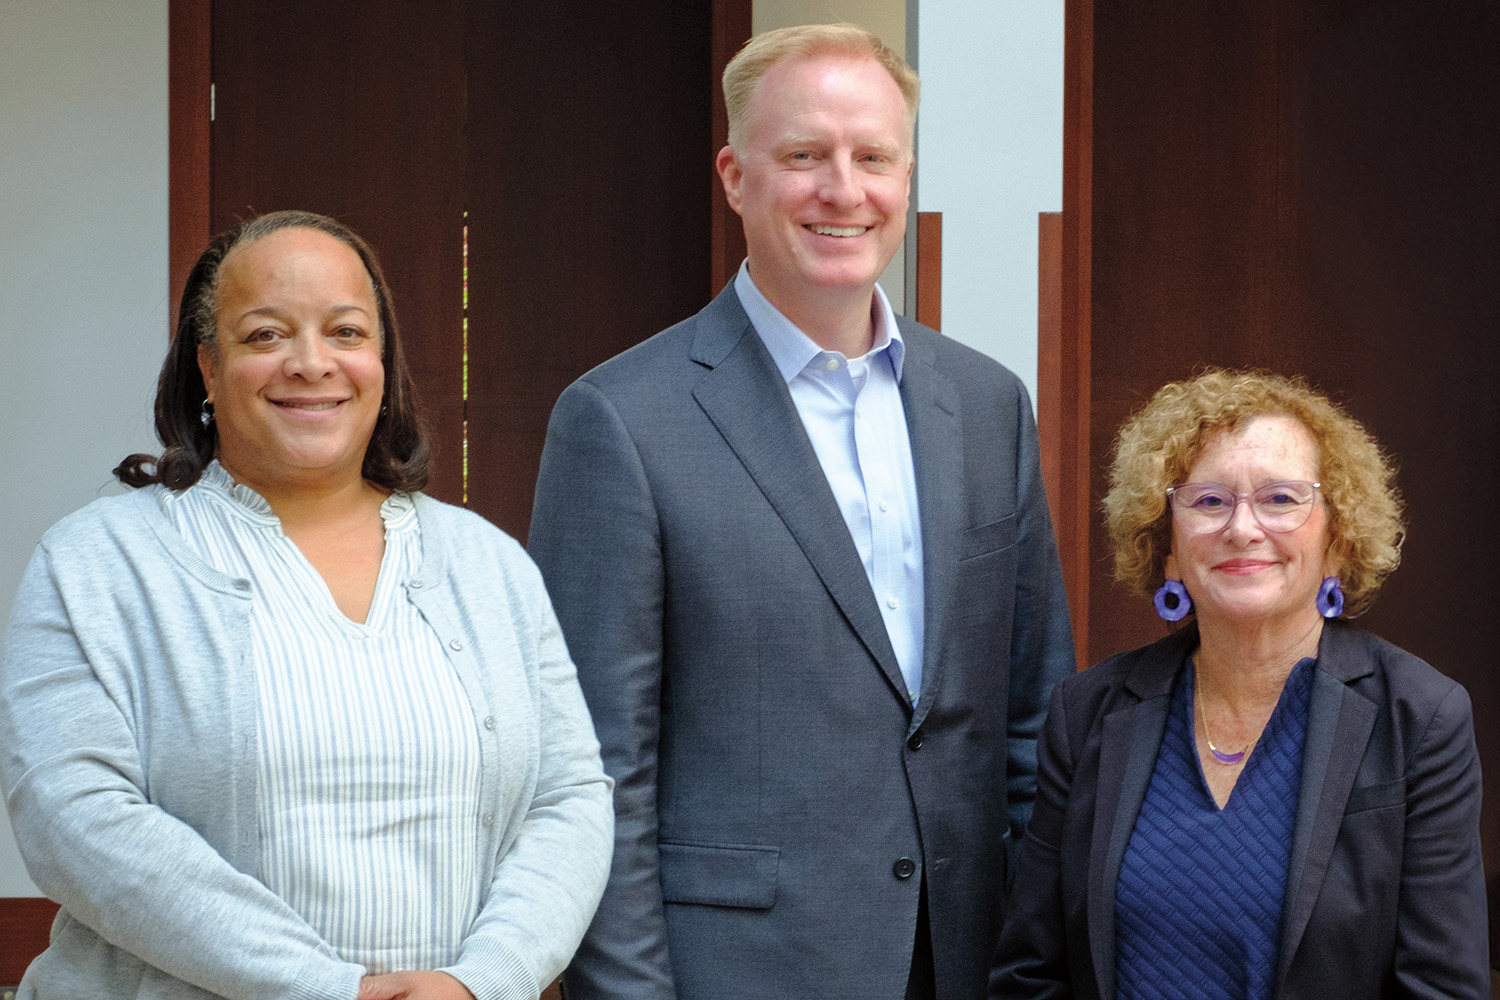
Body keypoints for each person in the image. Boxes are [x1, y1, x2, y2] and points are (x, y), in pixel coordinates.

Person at [527, 23, 1075, 1000]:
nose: (842, 189)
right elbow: (597, 773)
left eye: (873, 157)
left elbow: (1033, 723)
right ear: (737, 177)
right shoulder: (621, 421)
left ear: (907, 178)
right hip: (740, 975)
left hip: (970, 964)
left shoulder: (989, 406)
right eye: (804, 156)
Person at [0, 211, 614, 1000]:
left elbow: (569, 799)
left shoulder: (486, 562)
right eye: (264, 336)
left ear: (382, 363)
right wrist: (324, 987)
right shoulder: (97, 562)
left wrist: (481, 982)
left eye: (347, 333)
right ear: (208, 370)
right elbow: (74, 818)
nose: (311, 362)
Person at [992, 369, 1488, 998]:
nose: (1243, 528)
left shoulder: (1418, 718)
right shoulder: (1087, 713)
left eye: (1281, 499)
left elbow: (1442, 988)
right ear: (1167, 547)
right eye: (1208, 501)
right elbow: (1031, 974)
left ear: (1337, 539)